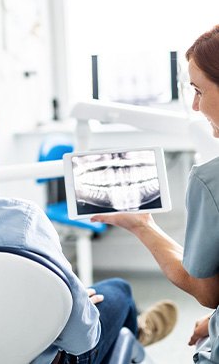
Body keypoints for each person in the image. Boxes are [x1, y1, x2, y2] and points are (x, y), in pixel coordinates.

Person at [0, 50, 177, 364]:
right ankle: (136, 330)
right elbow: (82, 338)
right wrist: (79, 305)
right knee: (116, 292)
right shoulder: (21, 224)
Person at [91, 24, 219, 364]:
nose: (194, 106)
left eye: (199, 91)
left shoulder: (210, 180)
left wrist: (141, 225)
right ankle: (141, 329)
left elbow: (207, 290)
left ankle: (138, 330)